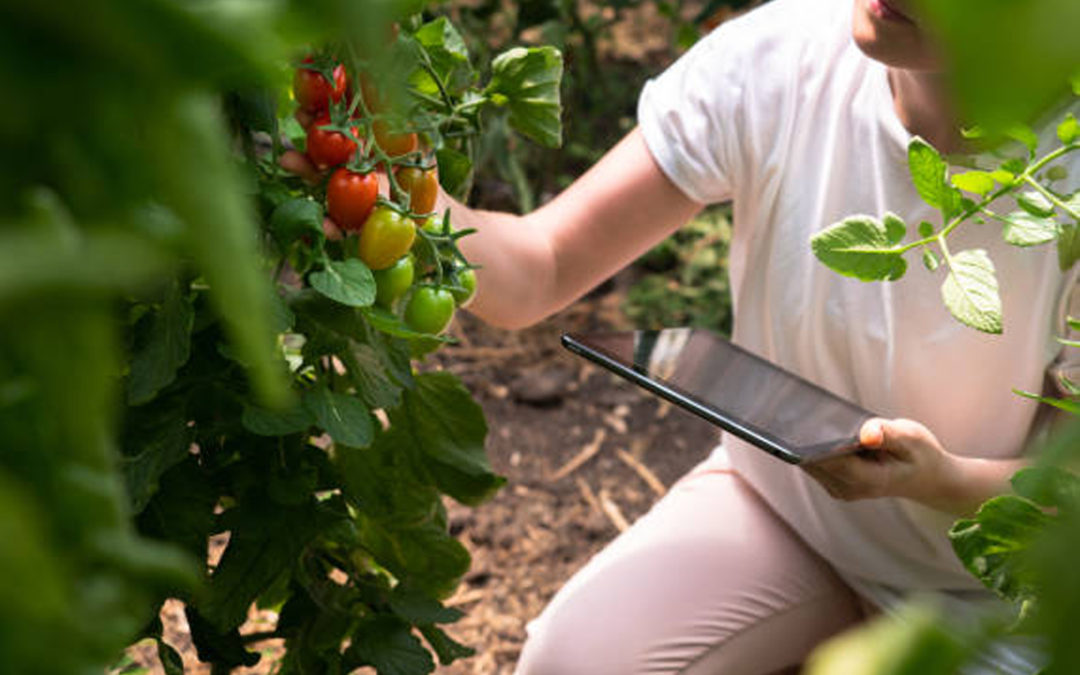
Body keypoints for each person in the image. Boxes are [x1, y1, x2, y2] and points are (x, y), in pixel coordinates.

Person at [287, 0, 1077, 670]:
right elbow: (542, 266)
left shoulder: (1064, 183)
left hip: (995, 588)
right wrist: (387, 192)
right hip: (784, 509)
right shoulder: (785, 59)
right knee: (572, 660)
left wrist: (934, 478)